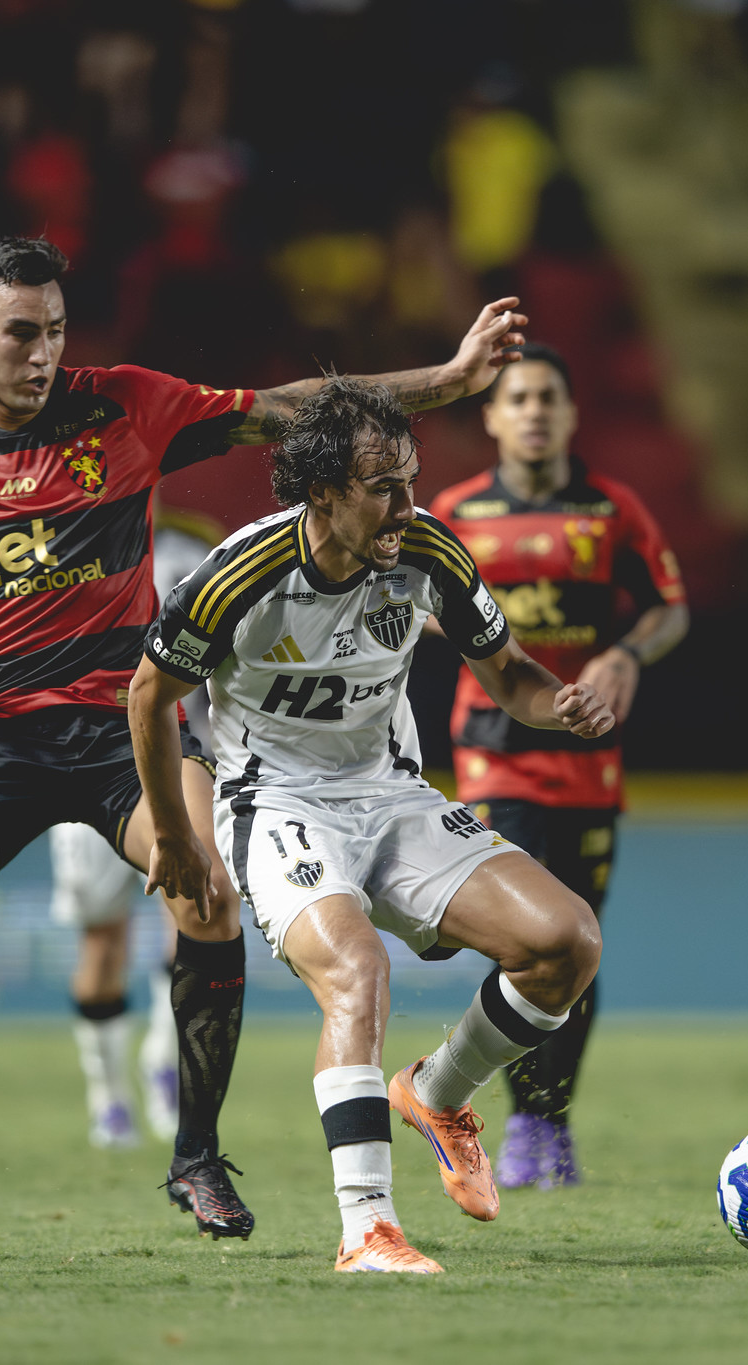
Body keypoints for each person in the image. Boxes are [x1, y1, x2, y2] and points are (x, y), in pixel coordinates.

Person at [0, 235, 531, 1250]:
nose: (41, 354)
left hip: (130, 719)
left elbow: (292, 408)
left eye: (55, 331)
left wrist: (449, 380)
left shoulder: (124, 404)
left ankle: (197, 1160)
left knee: (202, 888)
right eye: (19, 334)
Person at [130, 377, 613, 1275]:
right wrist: (171, 829)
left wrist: (563, 706)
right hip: (274, 803)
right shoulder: (241, 573)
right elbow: (149, 695)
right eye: (384, 486)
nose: (408, 504)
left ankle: (437, 1092)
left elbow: (508, 671)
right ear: (323, 492)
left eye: (413, 479)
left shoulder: (428, 550)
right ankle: (368, 1230)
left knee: (566, 942)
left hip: (389, 793)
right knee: (357, 967)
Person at [431, 343, 688, 1190]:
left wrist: (626, 654)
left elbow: (668, 608)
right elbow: (405, 600)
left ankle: (551, 1121)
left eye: (549, 396)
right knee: (524, 942)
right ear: (491, 417)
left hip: (590, 759)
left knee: (580, 947)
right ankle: (524, 1124)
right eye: (519, 397)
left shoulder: (611, 510)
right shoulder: (455, 512)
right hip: (496, 757)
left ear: (572, 415)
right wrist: (462, 631)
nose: (535, 410)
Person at [53, 509, 220, 1150]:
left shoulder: (193, 553)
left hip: (177, 754)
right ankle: (108, 1097)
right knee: (102, 943)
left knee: (193, 910)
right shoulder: (63, 547)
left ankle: (161, 1060)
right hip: (85, 757)